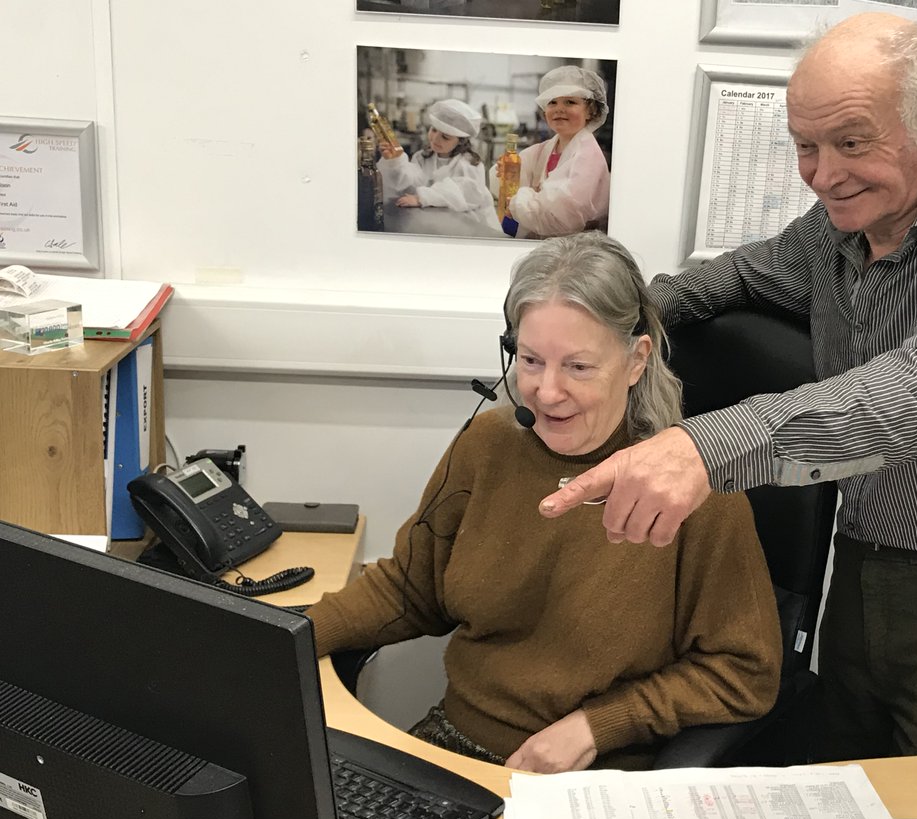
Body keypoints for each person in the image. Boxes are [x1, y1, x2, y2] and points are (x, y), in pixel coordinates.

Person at [540, 13, 917, 762]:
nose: (825, 174)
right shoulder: (836, 227)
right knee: (851, 790)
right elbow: (728, 279)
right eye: (806, 146)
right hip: (866, 559)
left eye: (852, 142)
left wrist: (704, 446)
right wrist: (603, 332)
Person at [304, 232, 781, 773]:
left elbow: (745, 673)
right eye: (531, 361)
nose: (547, 392)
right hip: (456, 744)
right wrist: (285, 636)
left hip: (592, 778)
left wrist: (597, 727)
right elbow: (412, 589)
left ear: (635, 361)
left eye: (578, 367)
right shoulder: (487, 445)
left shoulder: (695, 490)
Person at [502, 65, 611, 239]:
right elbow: (504, 178)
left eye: (570, 102)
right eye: (552, 102)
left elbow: (563, 218)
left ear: (591, 111)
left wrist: (519, 201)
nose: (559, 108)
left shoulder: (588, 156)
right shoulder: (544, 149)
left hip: (576, 248)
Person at [378, 98, 500, 231]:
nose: (435, 139)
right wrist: (395, 161)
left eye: (445, 137)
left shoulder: (469, 164)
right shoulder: (423, 157)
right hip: (435, 223)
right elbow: (411, 183)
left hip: (472, 226)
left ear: (460, 141)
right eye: (434, 130)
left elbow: (465, 193)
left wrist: (423, 197)